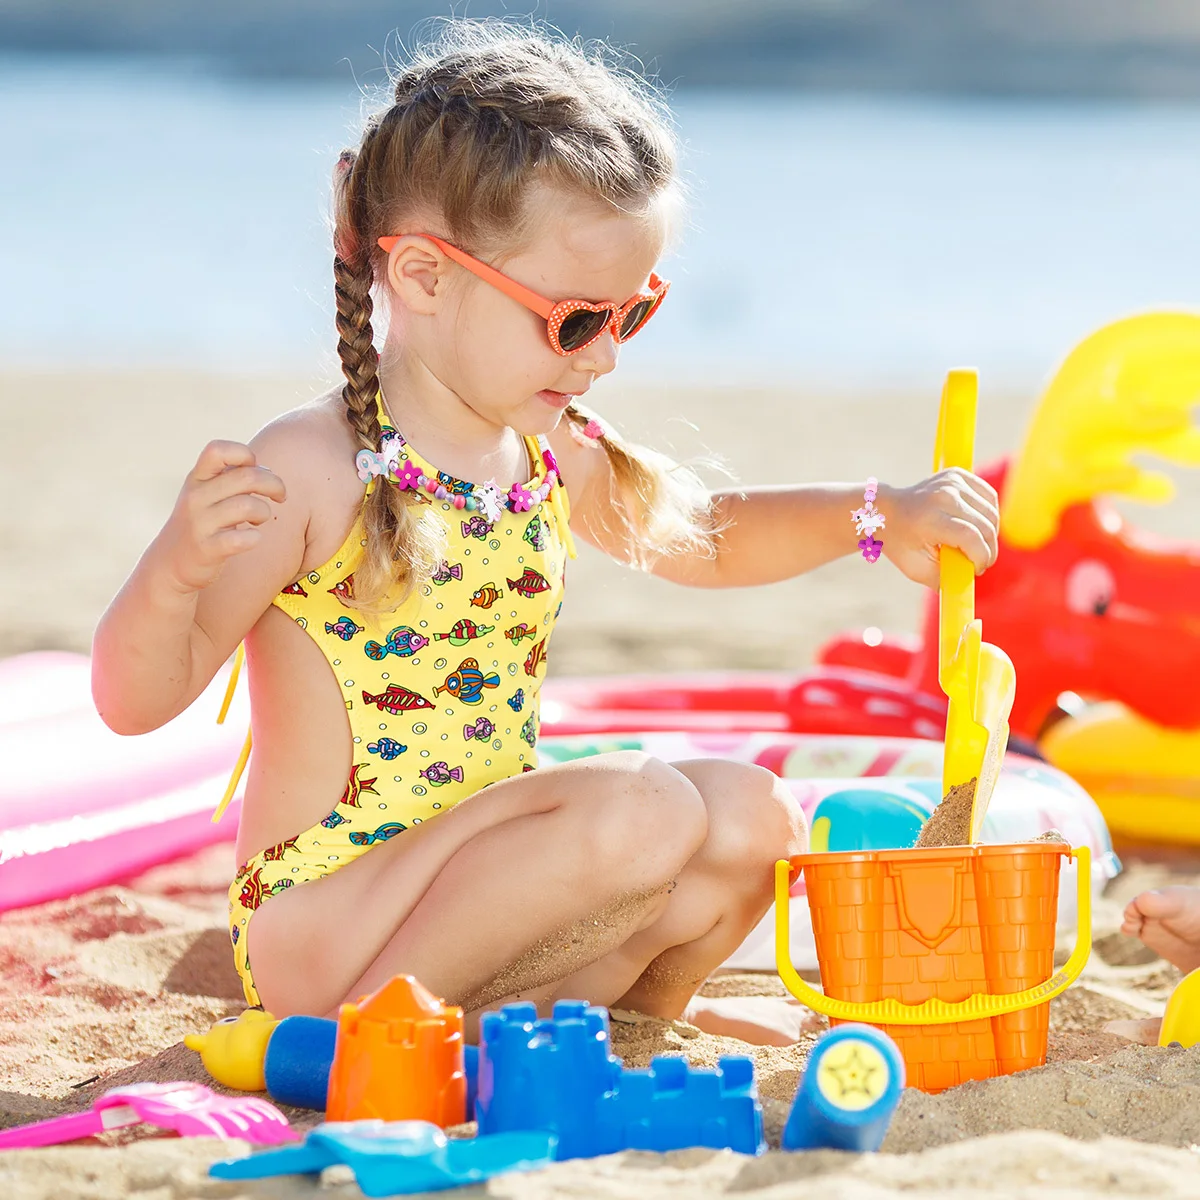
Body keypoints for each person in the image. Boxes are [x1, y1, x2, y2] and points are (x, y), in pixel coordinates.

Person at [91, 23, 999, 1043]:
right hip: (331, 928)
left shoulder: (546, 445)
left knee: (753, 814)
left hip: (498, 896)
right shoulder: (310, 466)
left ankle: (631, 1020)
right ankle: (382, 1035)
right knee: (645, 812)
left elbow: (700, 536)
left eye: (633, 315)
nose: (605, 356)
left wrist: (876, 514)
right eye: (575, 320)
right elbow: (133, 702)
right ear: (426, 279)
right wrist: (173, 572)